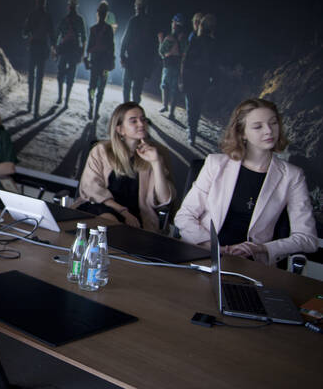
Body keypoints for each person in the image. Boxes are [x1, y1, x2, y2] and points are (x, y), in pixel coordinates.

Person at [174, 98, 316, 266]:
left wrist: (262, 248)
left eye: (273, 123)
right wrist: (215, 247)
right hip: (203, 253)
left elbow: (307, 238)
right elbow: (185, 216)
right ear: (242, 133)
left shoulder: (292, 176)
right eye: (258, 126)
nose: (269, 131)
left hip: (252, 264)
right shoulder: (215, 163)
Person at [74, 102, 174, 232]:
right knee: (108, 221)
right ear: (120, 129)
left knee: (114, 226)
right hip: (100, 206)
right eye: (134, 121)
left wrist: (156, 162)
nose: (141, 124)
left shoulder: (155, 153)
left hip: (137, 216)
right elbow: (92, 190)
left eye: (143, 119)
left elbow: (164, 199)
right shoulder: (101, 150)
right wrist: (123, 212)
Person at [181, 14, 218, 145]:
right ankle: (192, 131)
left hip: (192, 77)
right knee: (197, 106)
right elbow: (214, 64)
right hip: (203, 79)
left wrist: (182, 79)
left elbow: (186, 60)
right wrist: (213, 79)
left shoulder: (195, 40)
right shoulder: (213, 43)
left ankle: (191, 132)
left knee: (191, 106)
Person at [22, 0, 54, 118]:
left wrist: (28, 27)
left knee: (31, 78)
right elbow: (52, 35)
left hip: (33, 47)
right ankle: (35, 109)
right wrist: (54, 48)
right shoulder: (47, 16)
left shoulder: (32, 14)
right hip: (42, 48)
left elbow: (24, 33)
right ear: (45, 0)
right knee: (39, 79)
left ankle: (29, 105)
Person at [120, 0, 155, 104]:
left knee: (127, 86)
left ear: (136, 6)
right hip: (142, 62)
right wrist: (149, 69)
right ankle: (134, 110)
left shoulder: (133, 20)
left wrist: (122, 56)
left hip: (131, 59)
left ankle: (126, 108)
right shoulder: (150, 22)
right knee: (137, 91)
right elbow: (152, 48)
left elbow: (125, 39)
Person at [84, 0, 115, 122]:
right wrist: (112, 61)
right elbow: (112, 47)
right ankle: (96, 110)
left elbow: (89, 48)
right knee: (101, 88)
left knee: (92, 86)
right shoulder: (109, 29)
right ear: (106, 14)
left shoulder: (93, 29)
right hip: (105, 63)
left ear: (98, 13)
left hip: (95, 61)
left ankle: (91, 107)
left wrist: (87, 59)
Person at [54, 0, 87, 109]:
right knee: (70, 76)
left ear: (69, 6)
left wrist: (55, 50)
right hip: (74, 50)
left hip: (65, 49)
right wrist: (82, 53)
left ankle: (60, 97)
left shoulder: (64, 20)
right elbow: (84, 38)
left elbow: (57, 36)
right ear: (76, 6)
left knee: (60, 74)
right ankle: (66, 100)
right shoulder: (80, 20)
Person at [157, 14, 186, 120]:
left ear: (174, 24)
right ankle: (171, 113)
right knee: (174, 90)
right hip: (178, 66)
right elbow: (184, 53)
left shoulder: (170, 37)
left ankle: (165, 106)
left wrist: (160, 41)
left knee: (164, 85)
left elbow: (161, 51)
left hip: (168, 65)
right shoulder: (183, 39)